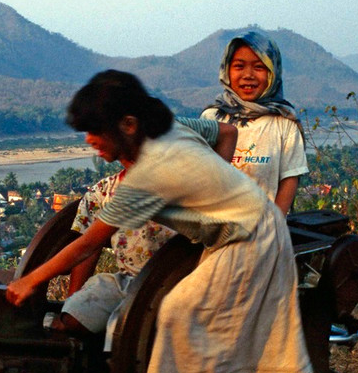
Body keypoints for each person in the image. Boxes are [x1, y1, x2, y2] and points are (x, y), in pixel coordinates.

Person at [6, 70, 310, 373]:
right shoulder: (171, 127)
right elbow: (227, 134)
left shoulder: (148, 176)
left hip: (250, 237)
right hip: (241, 230)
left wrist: (30, 280)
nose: (90, 141)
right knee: (268, 350)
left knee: (182, 308)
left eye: (96, 131)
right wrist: (216, 184)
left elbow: (88, 243)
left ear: (128, 125)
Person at [57, 117, 236, 335]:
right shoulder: (103, 193)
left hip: (178, 282)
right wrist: (70, 309)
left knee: (123, 327)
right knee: (75, 317)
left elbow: (227, 134)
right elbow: (87, 248)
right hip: (126, 282)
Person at [201, 31, 307, 214]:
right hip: (216, 233)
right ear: (227, 70)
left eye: (258, 67)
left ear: (272, 73)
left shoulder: (284, 123)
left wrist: (273, 226)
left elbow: (289, 180)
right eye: (239, 66)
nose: (247, 75)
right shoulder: (212, 118)